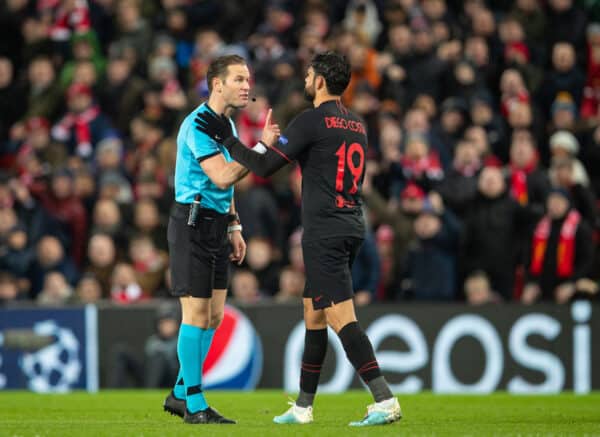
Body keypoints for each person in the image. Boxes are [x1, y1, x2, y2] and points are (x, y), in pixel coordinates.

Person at [195, 51, 401, 427]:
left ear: (320, 80)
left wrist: (231, 139)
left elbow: (264, 167)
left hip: (325, 231)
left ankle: (384, 398)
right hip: (351, 225)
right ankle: (304, 407)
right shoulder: (356, 124)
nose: (305, 81)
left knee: (342, 318)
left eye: (309, 75)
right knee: (314, 314)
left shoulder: (311, 121)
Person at [162, 54, 279, 425]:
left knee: (213, 317)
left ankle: (181, 393)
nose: (248, 86)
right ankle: (194, 405)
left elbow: (226, 191)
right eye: (240, 79)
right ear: (218, 84)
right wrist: (261, 148)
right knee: (195, 315)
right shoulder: (198, 123)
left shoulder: (225, 123)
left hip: (215, 224)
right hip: (192, 224)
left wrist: (234, 225)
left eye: (249, 79)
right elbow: (223, 177)